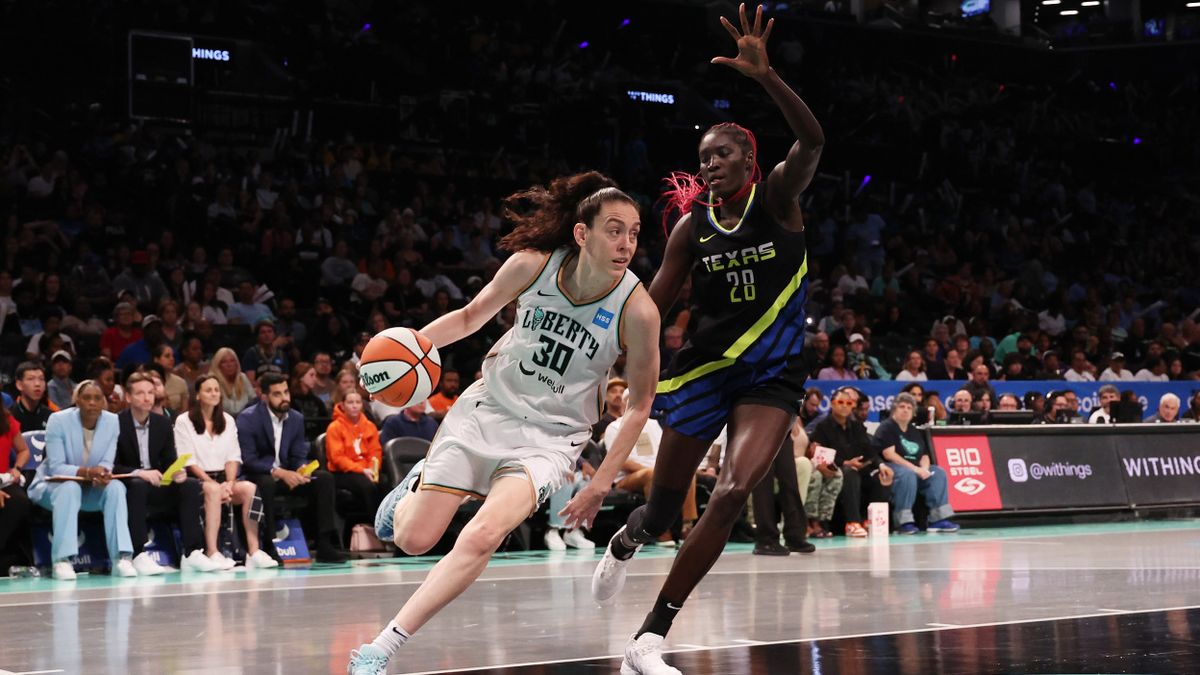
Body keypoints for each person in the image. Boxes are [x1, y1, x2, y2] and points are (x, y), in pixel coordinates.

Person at [591, 7, 827, 672]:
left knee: (726, 494)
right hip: (702, 372)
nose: (712, 162)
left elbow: (812, 142)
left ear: (749, 159)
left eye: (723, 153)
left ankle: (650, 638)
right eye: (703, 157)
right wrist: (601, 348)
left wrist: (769, 75)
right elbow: (652, 305)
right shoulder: (692, 230)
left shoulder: (778, 199)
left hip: (772, 377)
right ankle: (626, 541)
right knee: (662, 513)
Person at [349, 171, 660, 674]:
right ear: (582, 234)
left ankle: (378, 650)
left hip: (550, 440)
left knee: (482, 533)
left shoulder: (638, 310)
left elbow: (640, 405)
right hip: (487, 411)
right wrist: (404, 354)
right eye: (614, 230)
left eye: (634, 232)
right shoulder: (533, 266)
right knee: (413, 540)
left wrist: (601, 484)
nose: (627, 243)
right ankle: (411, 491)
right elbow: (472, 317)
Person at [28, 381, 139, 580]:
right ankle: (62, 561)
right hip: (52, 487)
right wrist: (88, 472)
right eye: (87, 398)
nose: (92, 403)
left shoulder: (112, 421)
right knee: (70, 487)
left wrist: (103, 474)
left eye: (97, 398)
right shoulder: (58, 420)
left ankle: (122, 558)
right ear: (77, 401)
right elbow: (56, 467)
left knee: (116, 488)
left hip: (89, 489)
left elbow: (107, 461)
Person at [238, 372, 347, 564]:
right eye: (277, 394)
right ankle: (271, 544)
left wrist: (302, 468)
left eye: (286, 392)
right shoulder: (248, 419)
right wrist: (278, 472)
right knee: (266, 483)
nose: (284, 398)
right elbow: (249, 459)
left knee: (324, 479)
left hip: (289, 475)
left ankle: (324, 544)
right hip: (261, 475)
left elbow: (298, 454)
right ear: (264, 397)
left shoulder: (296, 418)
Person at [178, 374, 275, 570]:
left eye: (216, 390)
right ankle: (213, 551)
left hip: (224, 478)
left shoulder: (228, 420)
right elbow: (188, 461)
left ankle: (254, 551)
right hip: (197, 479)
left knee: (249, 488)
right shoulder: (184, 421)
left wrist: (230, 484)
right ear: (197, 395)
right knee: (213, 491)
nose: (214, 394)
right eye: (208, 390)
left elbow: (233, 456)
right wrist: (213, 484)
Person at [113, 372, 203, 576]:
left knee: (189, 484)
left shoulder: (162, 423)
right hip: (129, 485)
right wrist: (139, 473)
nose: (147, 398)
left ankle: (191, 553)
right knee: (138, 484)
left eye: (150, 393)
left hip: (157, 483)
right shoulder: (116, 423)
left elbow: (169, 459)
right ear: (128, 397)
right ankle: (138, 554)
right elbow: (112, 465)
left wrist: (177, 471)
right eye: (140, 393)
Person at [807, 387, 887, 538]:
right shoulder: (823, 427)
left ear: (852, 406)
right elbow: (820, 454)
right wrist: (845, 462)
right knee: (850, 473)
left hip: (858, 467)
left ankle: (871, 521)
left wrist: (881, 465)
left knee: (879, 477)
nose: (844, 405)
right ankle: (852, 523)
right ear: (832, 404)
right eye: (840, 402)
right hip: (835, 469)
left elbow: (869, 450)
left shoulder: (857, 427)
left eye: (848, 402)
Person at [874, 393, 958, 534]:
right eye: (902, 407)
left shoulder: (913, 430)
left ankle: (937, 519)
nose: (905, 410)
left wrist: (924, 469)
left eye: (909, 407)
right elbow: (890, 455)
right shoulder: (887, 427)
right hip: (890, 468)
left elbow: (924, 455)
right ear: (894, 409)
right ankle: (903, 522)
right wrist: (915, 469)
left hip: (913, 469)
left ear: (913, 413)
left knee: (937, 473)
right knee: (907, 474)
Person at [325, 391, 384, 522]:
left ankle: (393, 527)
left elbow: (375, 452)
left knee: (386, 483)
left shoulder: (370, 426)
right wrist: (362, 470)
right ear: (343, 405)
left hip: (368, 469)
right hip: (343, 473)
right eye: (350, 402)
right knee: (367, 486)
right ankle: (376, 526)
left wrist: (373, 469)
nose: (354, 406)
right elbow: (337, 458)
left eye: (358, 402)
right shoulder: (334, 427)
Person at [0, 402, 32, 573]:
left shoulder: (6, 419)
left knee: (19, 501)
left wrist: (17, 468)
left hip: (3, 479)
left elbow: (23, 450)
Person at [11, 361, 57, 432]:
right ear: (19, 385)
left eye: (41, 379)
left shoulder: (52, 417)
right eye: (31, 379)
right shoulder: (8, 417)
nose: (37, 384)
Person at [209, 347, 256, 416]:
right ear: (218, 365)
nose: (229, 365)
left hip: (245, 420)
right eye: (224, 362)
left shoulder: (242, 378)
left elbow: (253, 400)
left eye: (232, 361)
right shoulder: (212, 382)